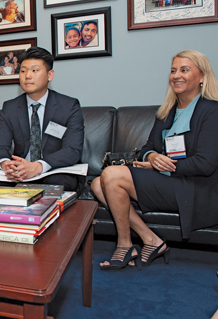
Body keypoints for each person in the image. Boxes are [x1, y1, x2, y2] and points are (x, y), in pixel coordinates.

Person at [92, 50, 218, 270]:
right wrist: (152, 157)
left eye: (184, 70)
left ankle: (125, 245)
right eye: (173, 70)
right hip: (168, 180)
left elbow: (206, 164)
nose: (176, 75)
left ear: (202, 77)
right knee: (97, 183)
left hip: (194, 186)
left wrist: (163, 168)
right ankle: (151, 239)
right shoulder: (167, 111)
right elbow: (147, 148)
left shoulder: (212, 110)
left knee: (111, 174)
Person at [0, 47, 85, 192]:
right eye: (23, 71)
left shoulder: (68, 106)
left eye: (34, 70)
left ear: (50, 75)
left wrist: (38, 166)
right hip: (21, 172)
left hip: (54, 170)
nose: (27, 76)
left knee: (54, 184)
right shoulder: (10, 107)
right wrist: (6, 164)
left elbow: (72, 150)